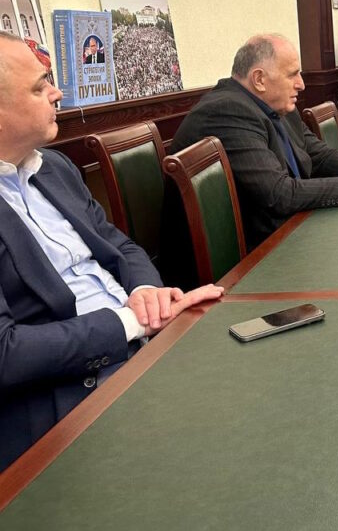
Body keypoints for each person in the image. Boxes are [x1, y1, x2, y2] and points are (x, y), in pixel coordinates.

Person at [0, 31, 223, 471]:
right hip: (67, 394)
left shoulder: (54, 167)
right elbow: (6, 354)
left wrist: (146, 292)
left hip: (145, 340)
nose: (57, 94)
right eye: (40, 87)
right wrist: (131, 323)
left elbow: (117, 244)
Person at [170, 34, 338, 252]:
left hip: (290, 230)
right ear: (259, 79)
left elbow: (318, 155)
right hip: (253, 258)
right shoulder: (227, 111)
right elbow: (279, 194)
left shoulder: (275, 103)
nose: (301, 84)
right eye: (292, 74)